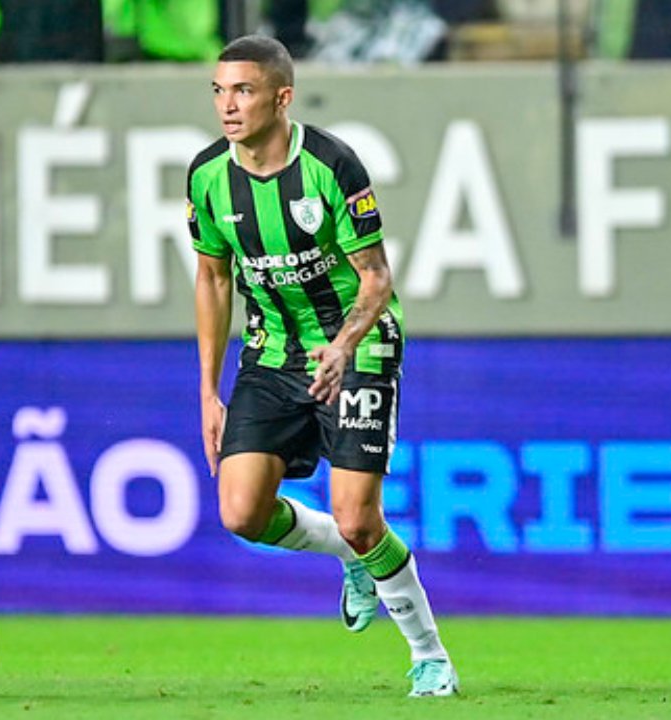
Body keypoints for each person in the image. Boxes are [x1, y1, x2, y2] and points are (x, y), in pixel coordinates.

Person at [187, 34, 457, 698]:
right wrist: (207, 391)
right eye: (219, 91)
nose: (228, 105)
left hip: (356, 345)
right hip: (273, 353)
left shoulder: (332, 166)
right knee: (242, 512)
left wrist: (342, 346)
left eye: (243, 90)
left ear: (282, 97)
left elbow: (375, 277)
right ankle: (350, 559)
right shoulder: (206, 176)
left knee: (362, 516)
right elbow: (214, 280)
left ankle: (430, 657)